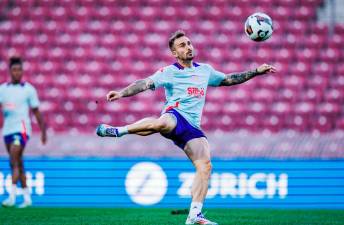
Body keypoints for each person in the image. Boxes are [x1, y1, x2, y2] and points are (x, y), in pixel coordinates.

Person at [96, 30, 276, 225]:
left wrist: (256, 72)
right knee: (162, 123)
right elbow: (144, 83)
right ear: (174, 53)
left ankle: (194, 215)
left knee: (205, 166)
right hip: (175, 115)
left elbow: (228, 79)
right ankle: (118, 131)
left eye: (189, 43)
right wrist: (122, 93)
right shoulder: (169, 72)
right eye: (182, 45)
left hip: (192, 128)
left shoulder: (205, 70)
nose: (188, 47)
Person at [0, 56, 47, 208]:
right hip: (8, 129)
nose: (17, 73)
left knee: (14, 157)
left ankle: (12, 197)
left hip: (22, 128)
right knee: (18, 163)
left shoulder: (28, 89)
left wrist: (43, 131)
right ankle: (27, 198)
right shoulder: (2, 90)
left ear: (22, 71)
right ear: (10, 71)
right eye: (14, 70)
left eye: (19, 70)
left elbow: (37, 111)